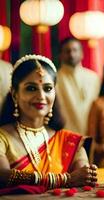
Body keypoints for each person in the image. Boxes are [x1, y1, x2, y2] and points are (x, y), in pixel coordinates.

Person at [0, 55, 97, 189]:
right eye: (31, 88)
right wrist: (65, 179)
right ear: (14, 93)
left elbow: (83, 179)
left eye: (48, 89)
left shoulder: (70, 142)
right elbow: (3, 176)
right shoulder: (3, 138)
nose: (41, 96)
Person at [56, 37, 100, 135]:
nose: (71, 54)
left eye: (75, 50)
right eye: (67, 51)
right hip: (65, 135)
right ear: (60, 55)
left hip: (92, 136)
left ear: (82, 53)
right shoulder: (55, 79)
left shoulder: (94, 78)